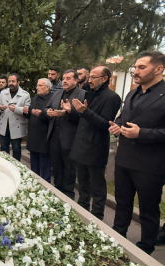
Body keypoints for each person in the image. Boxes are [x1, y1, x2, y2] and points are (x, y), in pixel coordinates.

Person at [109, 51, 165, 254]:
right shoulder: (132, 93)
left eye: (142, 67)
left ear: (159, 69)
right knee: (122, 203)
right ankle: (117, 237)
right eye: (135, 67)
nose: (136, 71)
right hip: (124, 160)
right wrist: (116, 125)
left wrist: (142, 133)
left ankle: (145, 248)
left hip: (150, 165)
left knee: (148, 210)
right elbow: (123, 117)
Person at [70, 66, 121, 220]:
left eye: (93, 77)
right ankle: (82, 210)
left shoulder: (112, 97)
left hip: (95, 147)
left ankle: (97, 215)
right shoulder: (88, 93)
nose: (89, 80)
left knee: (97, 185)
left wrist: (85, 111)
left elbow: (106, 124)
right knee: (82, 183)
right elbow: (82, 118)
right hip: (81, 145)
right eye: (89, 77)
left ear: (104, 79)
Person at [46, 70, 85, 200]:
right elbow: (47, 107)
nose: (64, 81)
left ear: (75, 80)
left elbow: (84, 116)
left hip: (70, 138)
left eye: (68, 78)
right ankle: (58, 192)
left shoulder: (82, 94)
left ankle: (69, 196)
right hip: (54, 137)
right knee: (56, 166)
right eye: (63, 78)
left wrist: (69, 112)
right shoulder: (57, 93)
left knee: (69, 168)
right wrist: (49, 112)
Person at [23, 78, 53, 182]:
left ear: (47, 87)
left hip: (45, 135)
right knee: (34, 162)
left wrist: (42, 114)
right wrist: (27, 112)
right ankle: (34, 181)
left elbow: (53, 116)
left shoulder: (52, 98)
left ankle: (45, 183)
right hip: (33, 135)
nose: (37, 87)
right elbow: (30, 115)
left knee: (45, 163)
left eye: (40, 85)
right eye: (37, 85)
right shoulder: (34, 99)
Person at [0, 73, 31, 161]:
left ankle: (16, 167)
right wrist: (0, 107)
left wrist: (16, 109)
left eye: (13, 81)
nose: (11, 83)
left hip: (17, 125)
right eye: (9, 81)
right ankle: (5, 166)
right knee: (4, 148)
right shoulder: (3, 93)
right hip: (4, 125)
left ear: (18, 82)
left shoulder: (25, 95)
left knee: (16, 149)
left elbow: (27, 110)